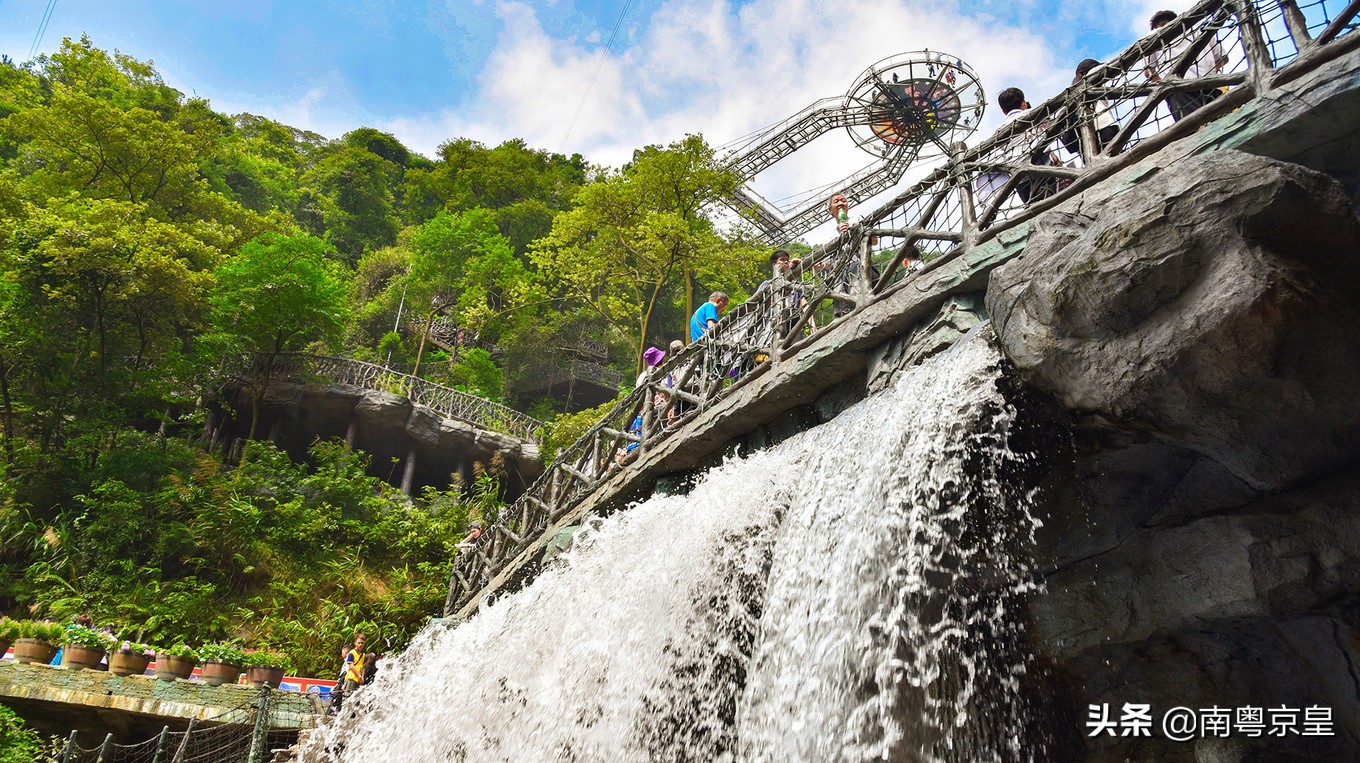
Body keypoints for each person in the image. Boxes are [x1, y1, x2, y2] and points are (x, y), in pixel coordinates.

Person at [975, 87, 1061, 209]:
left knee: (1033, 208)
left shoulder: (999, 130)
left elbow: (1002, 149)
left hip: (1018, 177)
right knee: (1051, 203)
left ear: (1003, 111)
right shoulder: (1033, 114)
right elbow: (1051, 126)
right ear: (1023, 102)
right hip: (1042, 167)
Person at [1146, 9, 1227, 122]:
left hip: (1179, 90)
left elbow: (1149, 72)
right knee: (1223, 123)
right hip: (1212, 85)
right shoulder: (1198, 30)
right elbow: (1223, 58)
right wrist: (1212, 70)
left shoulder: (1153, 35)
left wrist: (1163, 85)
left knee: (1193, 129)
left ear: (1155, 26)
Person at [1060, 59, 1120, 159]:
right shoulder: (1091, 77)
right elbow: (1103, 67)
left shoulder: (1072, 94)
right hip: (1105, 127)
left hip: (1086, 141)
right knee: (1117, 161)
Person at [331, 632, 378, 713]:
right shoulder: (352, 653)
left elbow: (362, 667)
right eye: (359, 643)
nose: (360, 645)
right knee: (348, 700)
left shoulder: (363, 655)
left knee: (356, 701)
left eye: (362, 643)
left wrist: (362, 677)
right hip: (351, 679)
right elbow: (351, 666)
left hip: (358, 680)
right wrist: (359, 676)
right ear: (355, 643)